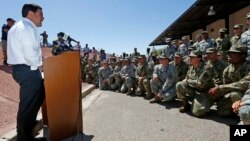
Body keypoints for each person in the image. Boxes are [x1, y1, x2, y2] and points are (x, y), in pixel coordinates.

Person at [7, 3, 46, 141]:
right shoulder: (26, 28)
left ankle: (28, 133)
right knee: (27, 107)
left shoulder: (19, 27)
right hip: (27, 70)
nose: (43, 17)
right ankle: (24, 138)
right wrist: (43, 65)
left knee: (38, 97)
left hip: (25, 69)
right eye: (41, 14)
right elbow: (30, 54)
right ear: (31, 14)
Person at [176, 50, 215, 116]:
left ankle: (202, 103)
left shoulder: (207, 68)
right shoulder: (191, 67)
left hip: (205, 93)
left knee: (198, 112)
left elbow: (200, 83)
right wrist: (186, 81)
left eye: (192, 57)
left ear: (199, 58)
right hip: (194, 90)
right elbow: (186, 79)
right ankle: (186, 105)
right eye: (189, 57)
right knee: (179, 84)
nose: (189, 59)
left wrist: (188, 81)